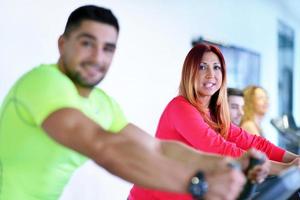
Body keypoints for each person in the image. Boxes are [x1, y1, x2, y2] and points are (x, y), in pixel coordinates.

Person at [0, 5, 253, 200]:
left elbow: (157, 148)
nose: (97, 57)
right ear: (62, 44)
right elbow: (102, 146)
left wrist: (226, 163)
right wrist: (198, 184)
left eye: (108, 48)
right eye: (87, 43)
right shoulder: (44, 82)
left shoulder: (101, 103)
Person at [129, 43, 300, 199]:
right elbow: (220, 149)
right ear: (190, 72)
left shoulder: (214, 114)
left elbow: (252, 142)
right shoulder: (180, 108)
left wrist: (293, 159)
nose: (211, 74)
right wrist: (286, 168)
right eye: (202, 67)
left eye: (216, 67)